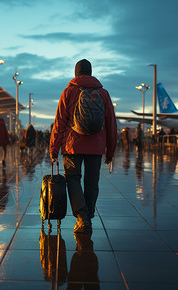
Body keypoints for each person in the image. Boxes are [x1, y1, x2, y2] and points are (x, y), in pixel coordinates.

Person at [50, 59, 117, 234]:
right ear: (91, 72)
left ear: (76, 73)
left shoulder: (69, 92)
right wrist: (110, 151)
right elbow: (111, 124)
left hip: (73, 146)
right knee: (91, 181)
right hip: (96, 146)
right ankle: (89, 216)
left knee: (73, 179)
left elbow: (59, 123)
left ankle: (82, 217)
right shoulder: (104, 94)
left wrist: (53, 149)